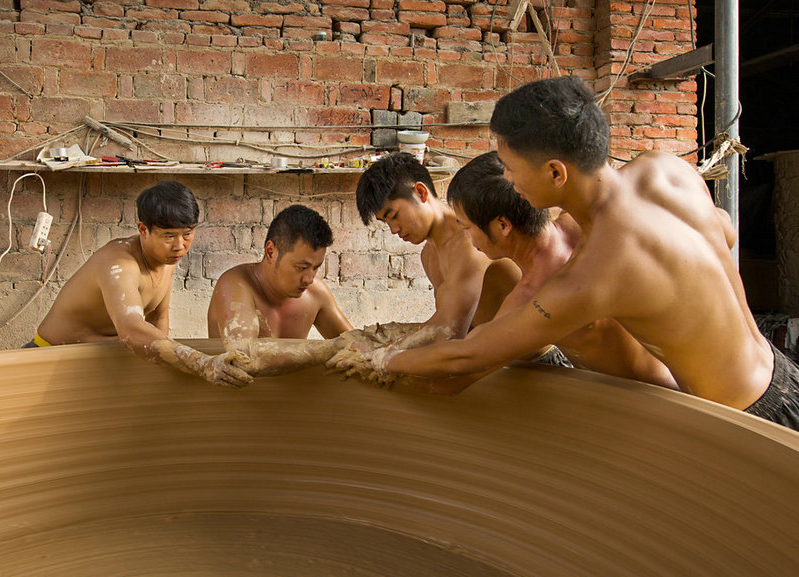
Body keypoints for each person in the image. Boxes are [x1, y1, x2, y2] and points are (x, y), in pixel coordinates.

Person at [331, 76, 798, 430]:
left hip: (750, 414)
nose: (509, 181)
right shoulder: (665, 170)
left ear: (556, 173)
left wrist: (381, 361)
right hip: (781, 371)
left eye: (512, 170)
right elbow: (726, 234)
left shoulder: (594, 272)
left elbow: (462, 361)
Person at [444, 151, 677, 388]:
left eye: (467, 227)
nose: (467, 237)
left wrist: (404, 360)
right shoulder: (582, 223)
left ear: (503, 225)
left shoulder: (531, 294)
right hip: (636, 383)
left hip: (657, 396)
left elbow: (468, 361)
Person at [27, 180, 252, 388]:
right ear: (143, 230)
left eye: (187, 233)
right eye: (169, 236)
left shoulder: (167, 259)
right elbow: (131, 329)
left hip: (102, 362)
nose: (180, 246)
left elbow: (158, 319)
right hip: (49, 358)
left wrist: (163, 369)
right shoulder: (119, 265)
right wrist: (201, 363)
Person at [350, 152, 520, 352]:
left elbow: (449, 331)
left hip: (535, 363)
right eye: (386, 223)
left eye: (394, 216)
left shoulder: (470, 242)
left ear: (421, 192)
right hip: (491, 357)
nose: (393, 230)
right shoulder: (428, 254)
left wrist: (383, 353)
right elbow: (449, 326)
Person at [207, 204, 353, 375]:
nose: (309, 279)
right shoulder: (234, 285)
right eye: (301, 267)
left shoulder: (315, 293)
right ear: (270, 252)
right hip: (236, 398)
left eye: (316, 268)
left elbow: (354, 346)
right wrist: (329, 349)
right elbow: (243, 357)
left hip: (292, 396)